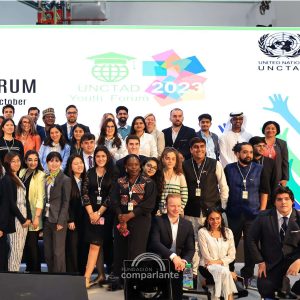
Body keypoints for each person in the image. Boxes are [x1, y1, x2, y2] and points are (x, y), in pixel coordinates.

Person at [183, 137, 229, 280]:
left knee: (212, 247)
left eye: (202, 146)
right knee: (191, 246)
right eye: (195, 147)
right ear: (191, 150)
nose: (199, 149)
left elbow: (223, 187)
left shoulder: (215, 164)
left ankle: (214, 278)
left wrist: (221, 209)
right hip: (191, 212)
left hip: (211, 212)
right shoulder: (184, 165)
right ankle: (190, 278)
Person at [224, 142, 269, 286]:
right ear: (237, 154)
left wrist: (262, 210)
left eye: (250, 152)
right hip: (234, 213)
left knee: (251, 245)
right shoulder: (229, 168)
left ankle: (247, 274)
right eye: (244, 152)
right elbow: (224, 189)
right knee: (231, 244)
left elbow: (264, 190)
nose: (248, 155)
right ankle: (229, 271)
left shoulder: (259, 168)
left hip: (253, 213)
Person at [249, 186, 300, 299]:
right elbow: (251, 239)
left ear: (292, 201)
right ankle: (282, 288)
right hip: (271, 262)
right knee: (265, 289)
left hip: (294, 260)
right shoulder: (263, 217)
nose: (283, 202)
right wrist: (260, 261)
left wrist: (299, 260)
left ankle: (295, 288)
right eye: (279, 199)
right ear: (274, 202)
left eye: (286, 199)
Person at [111, 154, 157, 279]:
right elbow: (114, 200)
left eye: (136, 164)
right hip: (121, 220)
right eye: (130, 164)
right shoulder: (120, 181)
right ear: (125, 166)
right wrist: (121, 217)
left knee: (136, 250)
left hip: (140, 221)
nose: (133, 167)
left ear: (140, 166)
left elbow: (149, 204)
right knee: (120, 249)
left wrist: (129, 216)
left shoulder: (148, 182)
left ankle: (134, 279)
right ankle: (119, 279)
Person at [82, 146, 119, 287]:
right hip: (90, 213)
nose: (100, 159)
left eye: (103, 156)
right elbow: (84, 193)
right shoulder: (90, 172)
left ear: (107, 157)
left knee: (95, 244)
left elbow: (111, 195)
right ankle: (101, 275)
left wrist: (99, 213)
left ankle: (86, 278)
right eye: (98, 156)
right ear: (94, 158)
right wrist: (91, 213)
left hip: (105, 214)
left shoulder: (113, 172)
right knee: (97, 245)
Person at [150, 193, 195, 300]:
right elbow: (154, 243)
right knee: (170, 289)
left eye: (179, 206)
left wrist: (184, 261)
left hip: (180, 263)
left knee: (183, 279)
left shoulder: (187, 224)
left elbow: (191, 249)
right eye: (172, 206)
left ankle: (184, 290)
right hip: (163, 259)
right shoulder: (158, 220)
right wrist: (173, 257)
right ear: (166, 206)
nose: (176, 209)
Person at [198, 207, 237, 300]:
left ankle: (207, 282)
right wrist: (227, 272)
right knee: (227, 275)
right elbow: (206, 256)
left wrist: (218, 262)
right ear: (207, 220)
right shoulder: (202, 232)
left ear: (221, 219)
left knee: (225, 274)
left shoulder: (228, 232)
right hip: (207, 267)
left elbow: (232, 255)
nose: (215, 221)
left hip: (223, 266)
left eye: (217, 218)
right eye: (211, 219)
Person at [43, 152, 71, 273]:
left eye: (56, 161)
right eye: (51, 161)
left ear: (60, 163)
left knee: (58, 252)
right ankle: (50, 276)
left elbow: (66, 202)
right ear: (47, 163)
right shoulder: (45, 177)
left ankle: (60, 279)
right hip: (47, 219)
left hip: (58, 220)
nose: (54, 163)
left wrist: (61, 221)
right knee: (48, 252)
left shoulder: (65, 179)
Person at [4, 152, 31, 271]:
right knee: (14, 250)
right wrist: (23, 219)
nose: (16, 163)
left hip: (23, 219)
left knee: (19, 250)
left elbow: (25, 200)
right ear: (7, 163)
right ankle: (11, 280)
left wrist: (28, 217)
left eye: (18, 161)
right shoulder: (7, 179)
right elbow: (11, 203)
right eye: (13, 161)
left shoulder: (17, 178)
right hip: (16, 220)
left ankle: (14, 276)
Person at [19, 150, 45, 272]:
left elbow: (41, 197)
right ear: (25, 161)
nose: (33, 162)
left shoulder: (40, 175)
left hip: (34, 214)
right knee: (26, 246)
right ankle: (29, 269)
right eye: (30, 160)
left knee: (32, 245)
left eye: (35, 160)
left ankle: (36, 271)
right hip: (22, 214)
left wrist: (37, 217)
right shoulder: (22, 172)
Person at [65, 154, 87, 275]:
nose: (79, 166)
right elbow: (66, 202)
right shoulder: (67, 180)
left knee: (83, 247)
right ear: (70, 166)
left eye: (81, 163)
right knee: (72, 247)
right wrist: (70, 220)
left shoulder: (86, 180)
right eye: (76, 163)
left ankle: (82, 274)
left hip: (85, 220)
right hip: (73, 220)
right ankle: (73, 274)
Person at [249, 136, 277, 206]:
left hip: (268, 199)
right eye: (259, 146)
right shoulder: (246, 162)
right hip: (250, 199)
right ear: (251, 147)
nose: (262, 148)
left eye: (264, 146)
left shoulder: (271, 162)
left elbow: (274, 181)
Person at [160, 147, 188, 213]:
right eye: (167, 158)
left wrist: (180, 209)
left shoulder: (180, 176)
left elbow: (184, 195)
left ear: (176, 161)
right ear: (162, 159)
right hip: (160, 212)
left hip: (176, 212)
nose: (170, 161)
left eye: (173, 159)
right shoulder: (158, 174)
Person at [262, 120, 289, 187]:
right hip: (261, 174)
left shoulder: (282, 143)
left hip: (277, 175)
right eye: (268, 128)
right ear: (264, 130)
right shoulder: (258, 141)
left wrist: (285, 178)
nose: (270, 130)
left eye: (273, 128)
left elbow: (285, 161)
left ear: (277, 131)